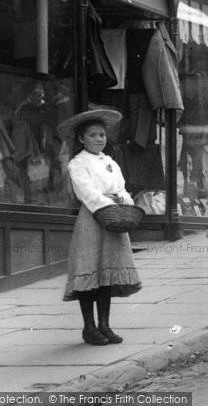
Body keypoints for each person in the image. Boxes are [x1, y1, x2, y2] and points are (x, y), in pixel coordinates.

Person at [57, 109, 142, 346]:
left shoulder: (110, 162)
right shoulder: (78, 163)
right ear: (81, 139)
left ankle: (105, 324)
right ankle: (89, 327)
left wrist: (124, 201)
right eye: (92, 135)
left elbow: (121, 187)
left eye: (102, 135)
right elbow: (86, 192)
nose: (98, 139)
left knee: (107, 274)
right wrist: (107, 204)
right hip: (92, 220)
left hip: (114, 222)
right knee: (90, 271)